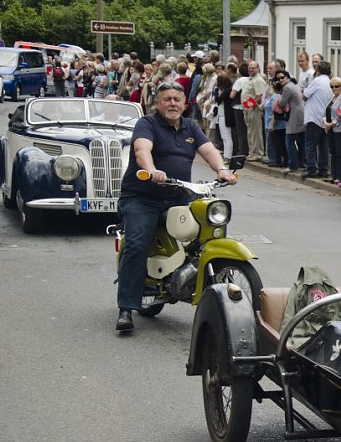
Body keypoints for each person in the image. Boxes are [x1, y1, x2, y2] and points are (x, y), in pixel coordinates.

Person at [114, 82, 237, 332]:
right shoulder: (147, 124)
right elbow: (141, 149)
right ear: (157, 104)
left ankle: (191, 276)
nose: (172, 104)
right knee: (137, 244)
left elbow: (208, 149)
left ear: (184, 103)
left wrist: (222, 169)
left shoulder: (191, 126)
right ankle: (126, 308)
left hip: (179, 195)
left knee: (209, 226)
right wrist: (150, 170)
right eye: (167, 99)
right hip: (142, 197)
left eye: (177, 99)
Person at [302, 60, 333, 179]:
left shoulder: (317, 81)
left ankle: (312, 169)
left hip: (313, 117)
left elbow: (305, 95)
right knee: (323, 146)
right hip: (325, 118)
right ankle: (323, 169)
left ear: (318, 71)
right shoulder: (330, 82)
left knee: (310, 145)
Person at [276, 70, 305, 173]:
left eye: (282, 77)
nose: (280, 80)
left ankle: (293, 165)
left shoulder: (287, 88)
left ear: (287, 77)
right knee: (302, 141)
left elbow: (282, 103)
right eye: (278, 78)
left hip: (294, 116)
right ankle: (302, 162)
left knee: (289, 141)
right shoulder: (293, 85)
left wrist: (278, 100)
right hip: (300, 115)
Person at [242, 60, 268, 162]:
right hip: (248, 109)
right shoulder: (251, 79)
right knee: (250, 132)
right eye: (249, 67)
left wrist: (248, 106)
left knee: (255, 132)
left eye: (253, 68)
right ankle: (252, 152)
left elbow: (260, 95)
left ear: (258, 68)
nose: (250, 69)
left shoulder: (258, 80)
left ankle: (257, 153)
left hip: (254, 109)